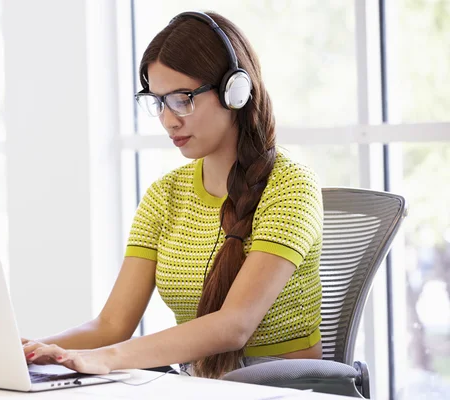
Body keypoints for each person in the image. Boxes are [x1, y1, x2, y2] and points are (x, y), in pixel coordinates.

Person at [22, 10, 324, 379]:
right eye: (158, 101)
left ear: (236, 92)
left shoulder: (291, 186)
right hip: (200, 385)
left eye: (183, 98)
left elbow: (234, 325)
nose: (169, 120)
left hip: (280, 387)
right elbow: (112, 324)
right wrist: (30, 352)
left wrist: (109, 358)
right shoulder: (165, 195)